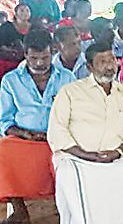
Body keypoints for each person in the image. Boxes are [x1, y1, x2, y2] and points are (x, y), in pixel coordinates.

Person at [47, 43, 123, 223]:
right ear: (89, 67)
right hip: (78, 158)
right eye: (102, 62)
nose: (109, 66)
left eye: (112, 60)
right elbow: (57, 130)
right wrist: (86, 155)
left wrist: (118, 152)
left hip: (118, 157)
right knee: (70, 175)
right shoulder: (70, 92)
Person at [0, 30, 77, 223]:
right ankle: (19, 209)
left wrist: (59, 132)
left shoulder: (67, 78)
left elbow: (77, 114)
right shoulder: (10, 80)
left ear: (53, 52)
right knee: (3, 150)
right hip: (25, 140)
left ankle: (70, 210)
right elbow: (5, 121)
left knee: (73, 157)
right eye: (34, 58)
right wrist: (26, 134)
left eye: (45, 57)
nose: (40, 63)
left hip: (60, 137)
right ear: (25, 54)